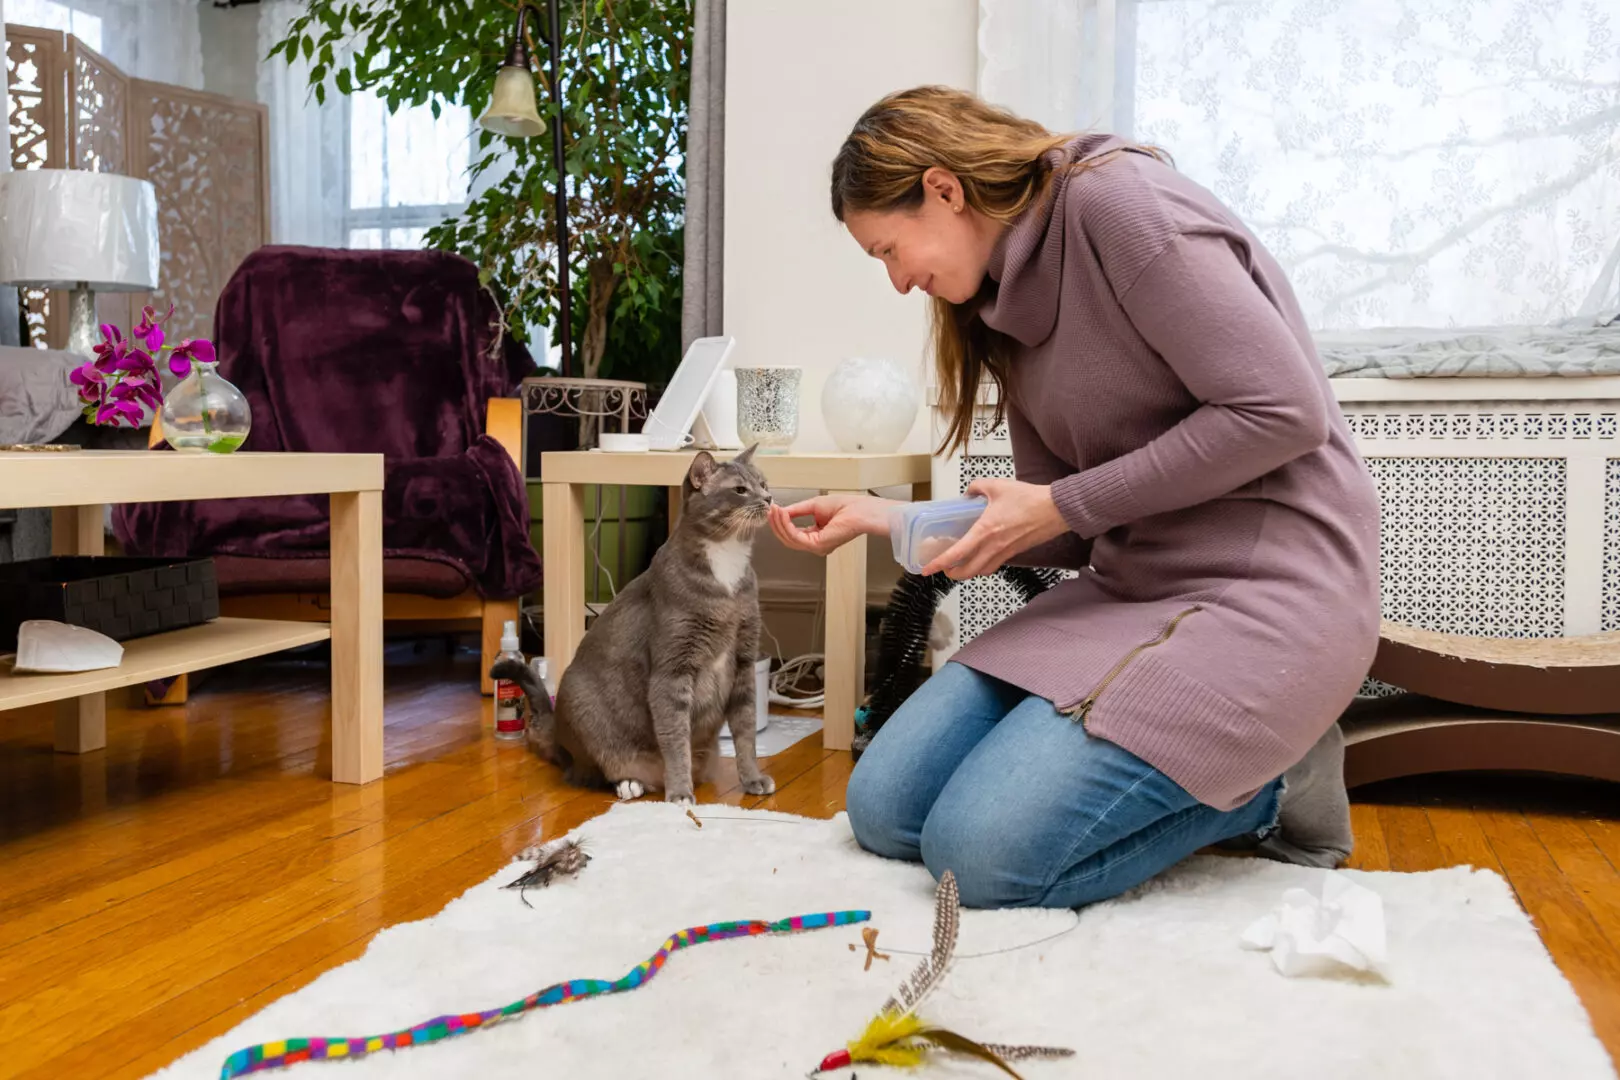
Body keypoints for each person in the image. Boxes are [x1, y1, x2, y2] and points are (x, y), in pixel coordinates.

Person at [770, 86, 1381, 911]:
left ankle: (1277, 784)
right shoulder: (997, 306)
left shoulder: (1117, 205)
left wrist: (1063, 506)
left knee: (980, 860)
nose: (898, 282)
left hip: (1269, 590)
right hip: (1130, 590)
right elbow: (1067, 526)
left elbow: (1282, 412)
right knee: (883, 808)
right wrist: (895, 519)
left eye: (889, 250)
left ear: (944, 189)